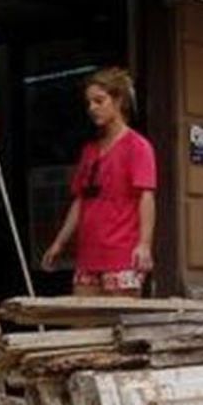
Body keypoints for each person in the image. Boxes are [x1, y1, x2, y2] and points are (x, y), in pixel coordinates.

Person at [41, 68, 157, 296]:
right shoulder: (90, 150)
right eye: (89, 103)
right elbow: (80, 201)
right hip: (89, 255)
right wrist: (60, 242)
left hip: (122, 254)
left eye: (99, 101)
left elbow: (146, 196)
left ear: (118, 100)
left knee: (120, 325)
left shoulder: (137, 146)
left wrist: (144, 244)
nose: (92, 108)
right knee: (82, 325)